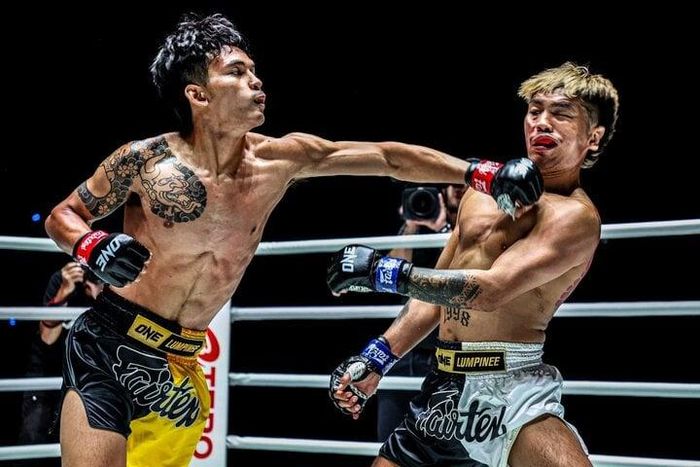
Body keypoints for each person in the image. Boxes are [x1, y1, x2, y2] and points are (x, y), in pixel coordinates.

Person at [43, 13, 543, 467]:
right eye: (236, 72)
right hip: (108, 343)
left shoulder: (280, 160)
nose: (255, 80)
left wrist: (482, 172)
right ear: (198, 95)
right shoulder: (144, 160)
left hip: (180, 364)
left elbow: (387, 158)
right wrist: (92, 246)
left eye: (253, 70)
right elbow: (64, 215)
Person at [328, 61, 619, 467]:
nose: (542, 122)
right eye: (535, 111)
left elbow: (489, 290)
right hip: (441, 386)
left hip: (510, 392)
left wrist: (382, 272)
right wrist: (378, 357)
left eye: (561, 113)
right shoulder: (481, 193)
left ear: (593, 136)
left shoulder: (575, 217)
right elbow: (438, 290)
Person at [377, 183, 466, 442]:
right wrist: (411, 225)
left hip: (448, 353)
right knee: (389, 438)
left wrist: (443, 230)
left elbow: (465, 269)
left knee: (444, 442)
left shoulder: (476, 226)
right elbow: (390, 274)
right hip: (405, 348)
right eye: (453, 182)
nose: (459, 188)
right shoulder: (418, 228)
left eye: (465, 183)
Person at [17, 262, 103, 464]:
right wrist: (64, 291)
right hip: (47, 375)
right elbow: (47, 338)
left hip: (85, 383)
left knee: (79, 449)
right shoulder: (63, 280)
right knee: (34, 442)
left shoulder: (114, 287)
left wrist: (100, 293)